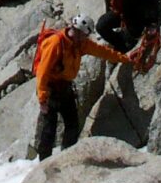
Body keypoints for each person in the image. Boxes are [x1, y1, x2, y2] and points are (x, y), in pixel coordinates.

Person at [29, 23, 137, 159]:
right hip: (50, 89)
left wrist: (124, 58)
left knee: (72, 124)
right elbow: (42, 73)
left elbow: (102, 51)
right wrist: (42, 99)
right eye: (85, 35)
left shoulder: (80, 43)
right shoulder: (55, 43)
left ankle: (67, 157)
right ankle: (44, 164)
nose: (86, 39)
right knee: (49, 129)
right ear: (79, 32)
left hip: (65, 87)